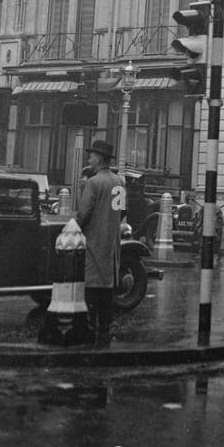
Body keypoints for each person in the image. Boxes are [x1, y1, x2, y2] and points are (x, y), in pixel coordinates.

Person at [75, 138, 123, 347]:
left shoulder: (93, 183)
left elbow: (83, 214)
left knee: (91, 288)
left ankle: (89, 332)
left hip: (94, 240)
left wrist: (72, 227)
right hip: (112, 242)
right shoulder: (119, 182)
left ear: (100, 158)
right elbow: (120, 213)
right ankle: (105, 331)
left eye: (92, 155)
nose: (89, 158)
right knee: (107, 288)